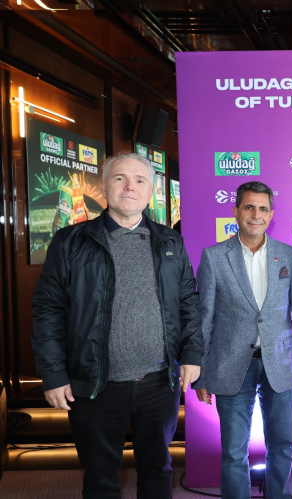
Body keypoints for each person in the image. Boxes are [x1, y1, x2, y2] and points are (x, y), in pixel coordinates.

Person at [31, 152, 203, 499]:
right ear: (105, 186)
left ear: (151, 191)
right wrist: (53, 374)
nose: (129, 187)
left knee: (158, 470)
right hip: (95, 385)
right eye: (120, 178)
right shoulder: (70, 241)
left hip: (159, 383)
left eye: (140, 180)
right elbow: (47, 310)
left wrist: (192, 354)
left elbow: (188, 303)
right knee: (100, 477)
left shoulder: (170, 241)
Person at [194, 181, 292, 499]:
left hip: (281, 363)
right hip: (231, 365)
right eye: (248, 207)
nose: (255, 215)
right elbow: (204, 319)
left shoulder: (290, 256)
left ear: (271, 214)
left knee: (282, 447)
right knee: (234, 452)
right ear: (236, 211)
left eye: (262, 208)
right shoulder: (214, 257)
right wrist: (201, 374)